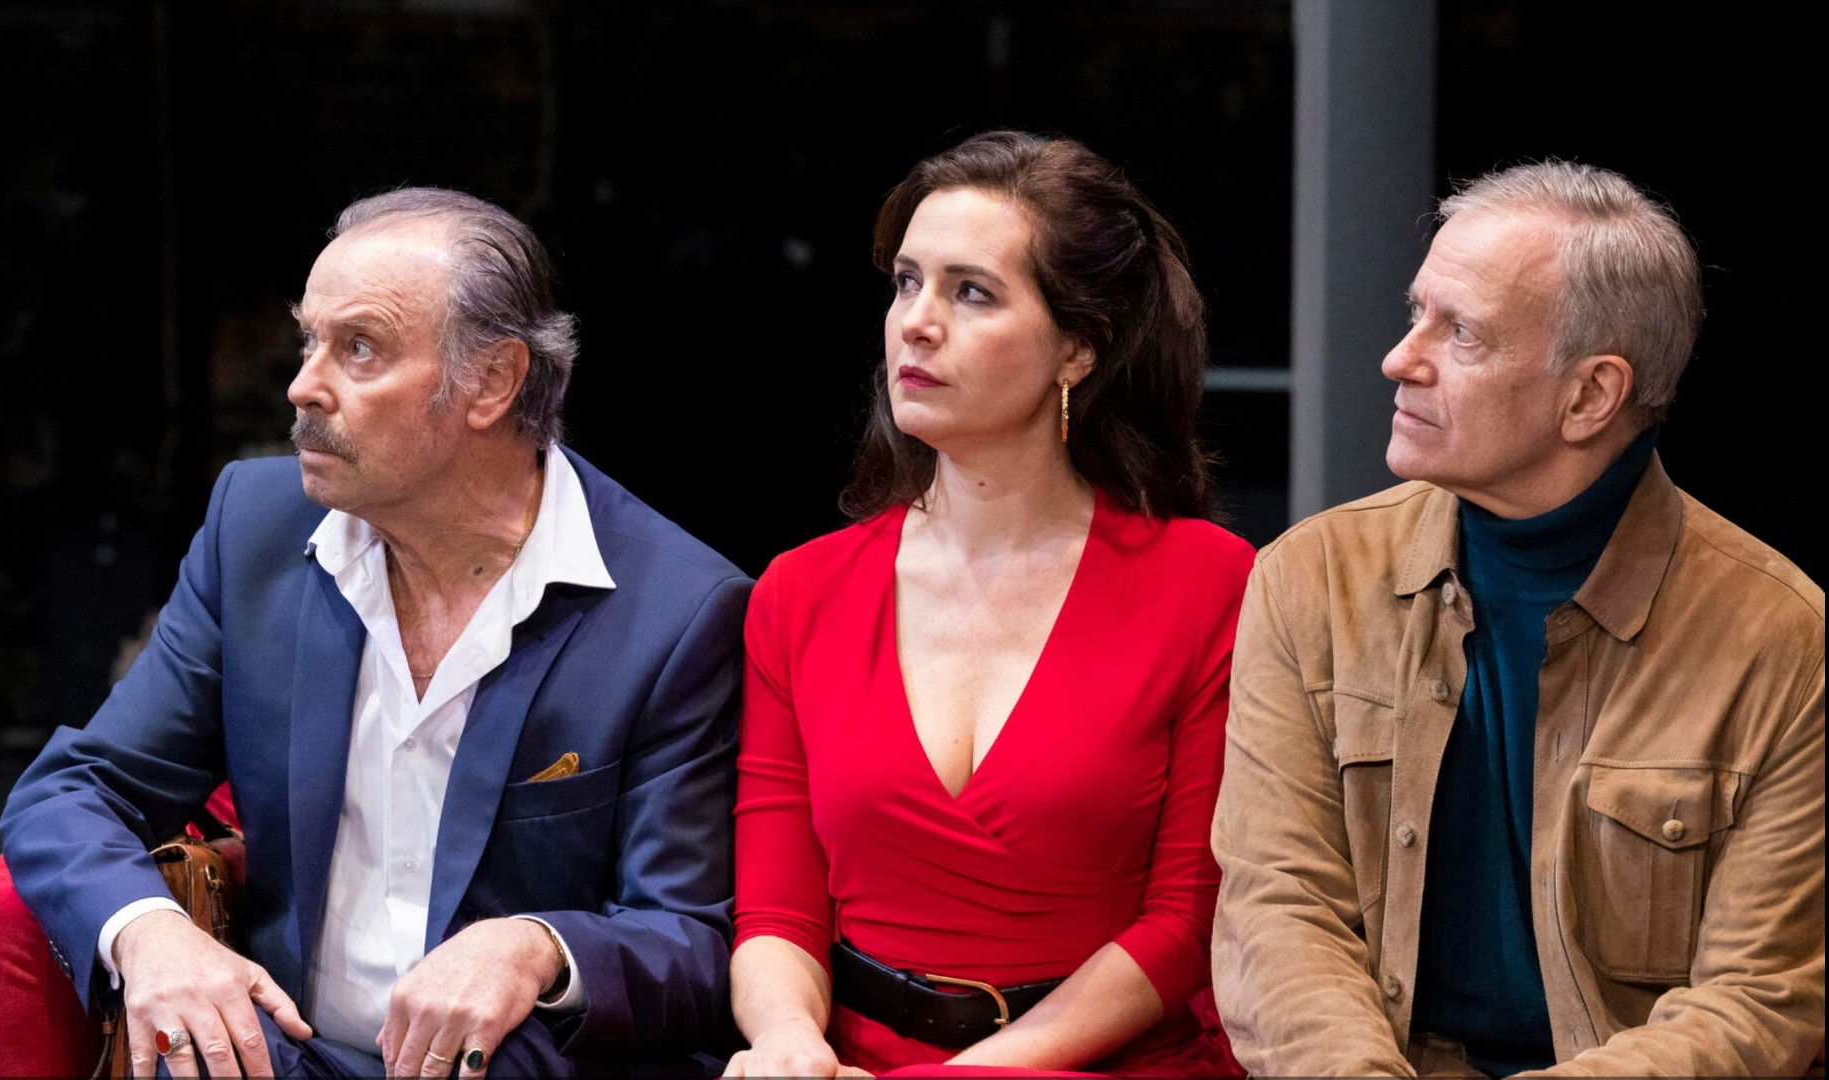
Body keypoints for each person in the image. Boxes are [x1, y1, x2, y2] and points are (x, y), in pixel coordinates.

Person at [0, 188, 750, 1079]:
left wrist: (537, 948)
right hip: (285, 1054)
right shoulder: (256, 529)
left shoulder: (676, 609)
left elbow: (692, 941)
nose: (302, 386)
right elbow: (76, 789)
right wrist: (151, 934)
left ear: (492, 382)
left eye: (358, 348)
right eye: (307, 340)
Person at [1212, 161, 1825, 1076]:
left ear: (1590, 396)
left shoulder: (1783, 639)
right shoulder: (1310, 579)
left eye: (1460, 331)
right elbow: (1280, 913)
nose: (1399, 358)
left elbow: (1760, 1001)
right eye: (1416, 312)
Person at [725, 131, 1253, 1078]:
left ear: (1078, 348)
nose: (917, 324)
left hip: (1105, 1062)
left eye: (972, 292)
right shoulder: (798, 592)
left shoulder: (1210, 583)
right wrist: (788, 1044)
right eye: (906, 284)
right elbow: (776, 913)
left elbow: (1187, 919)